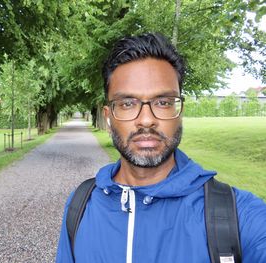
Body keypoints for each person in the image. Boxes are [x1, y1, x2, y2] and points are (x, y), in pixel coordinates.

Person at [56, 33, 266, 263]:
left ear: (179, 112)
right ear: (108, 117)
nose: (146, 120)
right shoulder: (81, 205)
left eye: (163, 103)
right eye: (127, 103)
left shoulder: (239, 216)